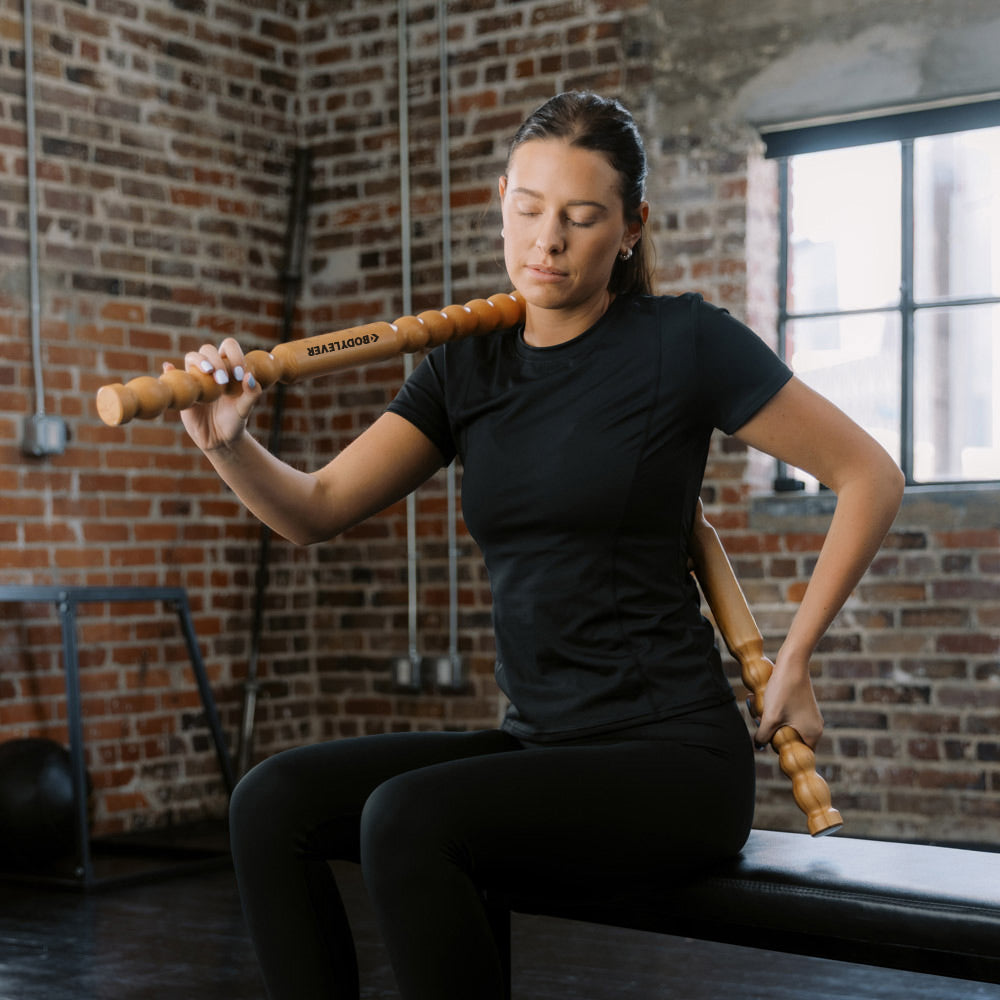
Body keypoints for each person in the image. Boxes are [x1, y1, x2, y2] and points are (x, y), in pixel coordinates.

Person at [171, 92, 904, 1000]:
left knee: (408, 819)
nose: (546, 241)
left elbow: (871, 474)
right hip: (541, 746)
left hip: (672, 760)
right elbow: (314, 509)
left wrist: (794, 656)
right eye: (526, 210)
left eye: (581, 217)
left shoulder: (686, 342)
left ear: (630, 229)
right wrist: (227, 442)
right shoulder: (465, 364)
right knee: (269, 802)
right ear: (502, 206)